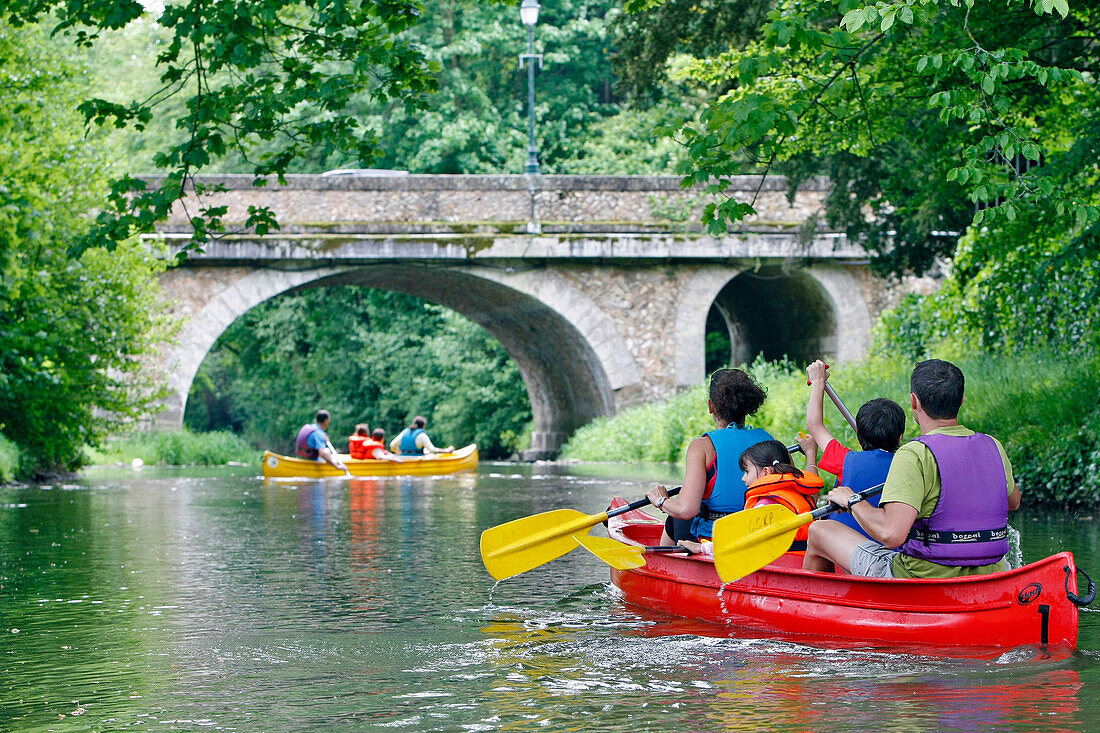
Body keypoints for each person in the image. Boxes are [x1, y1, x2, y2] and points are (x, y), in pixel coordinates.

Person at [802, 359, 1022, 579]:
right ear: (961, 400)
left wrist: (851, 500)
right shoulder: (993, 445)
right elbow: (1014, 502)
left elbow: (891, 535)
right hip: (988, 576)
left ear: (914, 402)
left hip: (921, 580)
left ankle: (826, 605)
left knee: (819, 530)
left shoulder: (914, 453)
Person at [645, 368, 773, 546]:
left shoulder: (702, 447)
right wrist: (811, 455)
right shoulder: (770, 442)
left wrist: (660, 501)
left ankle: (660, 567)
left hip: (716, 541)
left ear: (710, 406)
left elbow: (686, 510)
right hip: (761, 537)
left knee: (676, 517)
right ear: (747, 405)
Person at [801, 359, 906, 540]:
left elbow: (814, 425)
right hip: (891, 548)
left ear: (859, 437)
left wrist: (818, 382)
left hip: (845, 552)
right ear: (900, 437)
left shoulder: (845, 460)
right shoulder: (910, 466)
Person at [680, 440, 823, 556]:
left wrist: (701, 548)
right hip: (800, 557)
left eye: (747, 471)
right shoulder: (798, 493)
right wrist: (811, 455)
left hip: (782, 562)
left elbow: (739, 545)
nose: (743, 478)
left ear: (765, 472)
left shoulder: (765, 507)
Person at [390, 416, 454, 456]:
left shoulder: (404, 433)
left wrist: (398, 452)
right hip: (416, 460)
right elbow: (433, 450)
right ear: (423, 426)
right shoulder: (422, 435)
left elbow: (392, 445)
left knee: (426, 451)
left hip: (404, 458)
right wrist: (447, 450)